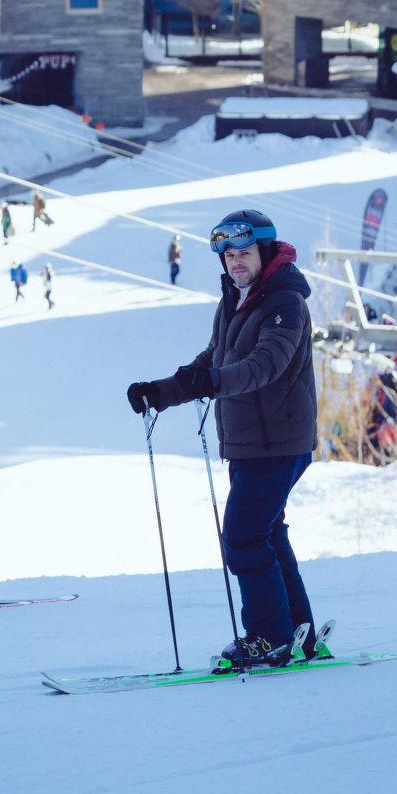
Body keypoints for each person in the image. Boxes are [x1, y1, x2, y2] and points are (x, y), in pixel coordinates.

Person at [126, 209, 319, 671]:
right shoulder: (236, 298)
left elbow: (261, 367)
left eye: (244, 253)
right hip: (251, 442)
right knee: (266, 534)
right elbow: (216, 357)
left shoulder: (284, 303)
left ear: (265, 252)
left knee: (243, 538)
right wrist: (164, 391)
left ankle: (268, 638)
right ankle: (299, 634)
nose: (236, 262)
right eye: (229, 254)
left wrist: (207, 382)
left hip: (279, 442)